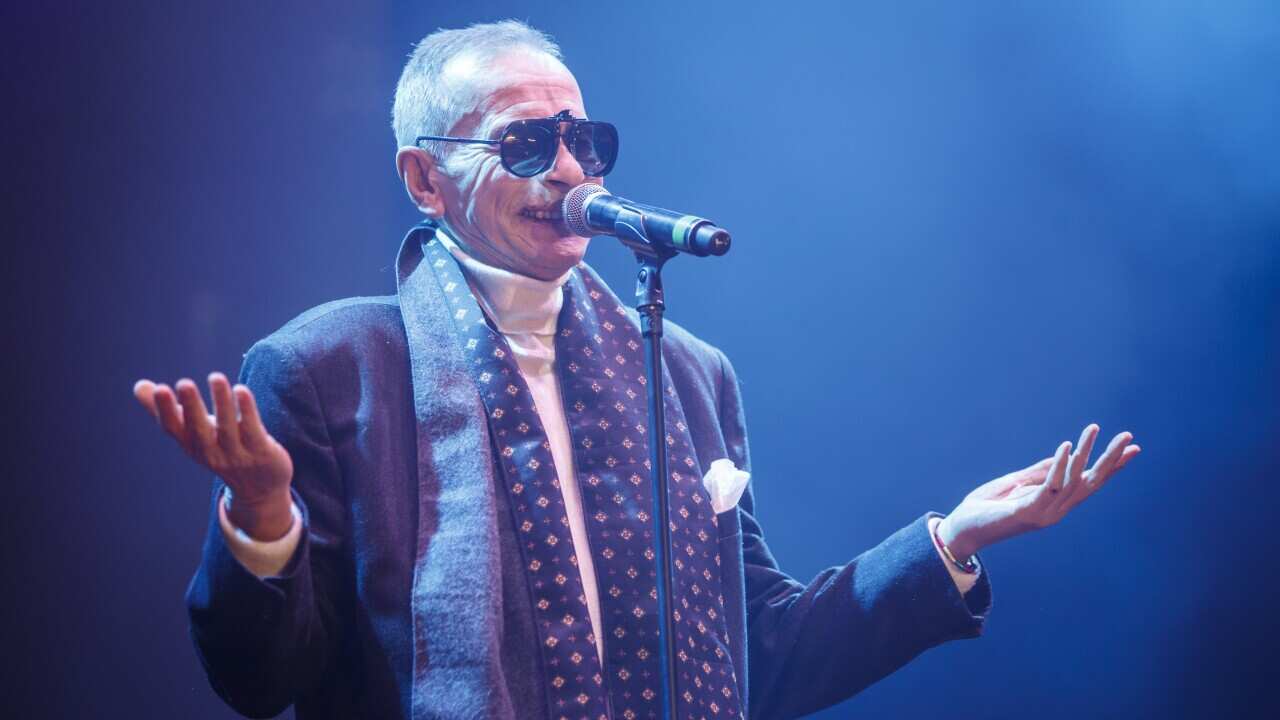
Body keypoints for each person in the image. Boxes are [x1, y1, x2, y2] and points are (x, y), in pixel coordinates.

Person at [133, 20, 1141, 720]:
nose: (568, 168)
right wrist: (265, 523)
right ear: (424, 180)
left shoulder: (689, 373)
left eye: (584, 139)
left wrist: (948, 540)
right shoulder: (328, 368)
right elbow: (260, 682)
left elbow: (760, 655)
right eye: (525, 142)